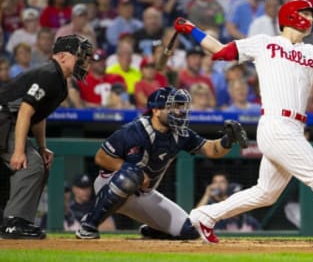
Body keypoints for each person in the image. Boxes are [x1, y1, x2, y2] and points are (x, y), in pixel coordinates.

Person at [173, 0, 313, 245]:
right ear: (292, 15)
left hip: (293, 127)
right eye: (307, 13)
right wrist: (191, 29)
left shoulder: (310, 51)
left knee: (265, 193)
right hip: (276, 123)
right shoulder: (264, 43)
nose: (312, 18)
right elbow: (221, 51)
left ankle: (204, 216)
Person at [75, 87, 248, 239]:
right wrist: (133, 170)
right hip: (111, 184)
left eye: (179, 106)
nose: (179, 111)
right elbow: (101, 157)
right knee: (130, 175)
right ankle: (88, 225)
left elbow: (211, 150)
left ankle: (154, 230)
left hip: (144, 193)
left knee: (190, 231)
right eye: (172, 106)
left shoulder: (180, 134)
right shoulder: (134, 130)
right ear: (156, 110)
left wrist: (227, 140)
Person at [0, 34, 93, 239]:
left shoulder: (60, 82)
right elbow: (26, 110)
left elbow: (38, 116)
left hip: (9, 121)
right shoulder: (49, 73)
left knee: (38, 161)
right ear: (61, 56)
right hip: (4, 118)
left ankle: (19, 220)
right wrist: (18, 151)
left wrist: (42, 147)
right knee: (30, 164)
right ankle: (13, 222)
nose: (84, 61)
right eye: (80, 55)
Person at [196, 172, 260, 231]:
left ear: (227, 184)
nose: (218, 185)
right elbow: (196, 217)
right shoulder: (211, 203)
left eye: (222, 182)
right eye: (215, 182)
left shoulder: (249, 220)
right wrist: (207, 195)